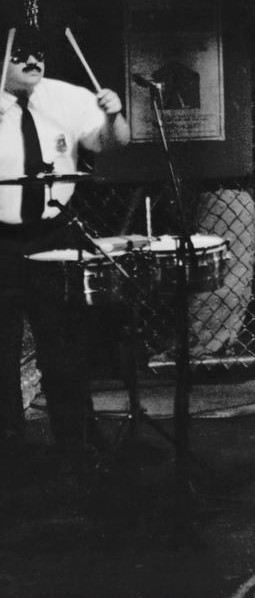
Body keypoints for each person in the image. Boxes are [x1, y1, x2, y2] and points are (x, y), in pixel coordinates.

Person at [0, 27, 130, 463]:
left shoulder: (66, 97)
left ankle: (78, 444)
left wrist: (114, 116)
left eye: (37, 53)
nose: (32, 61)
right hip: (1, 241)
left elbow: (111, 143)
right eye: (19, 54)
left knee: (63, 345)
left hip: (52, 234)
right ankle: (9, 451)